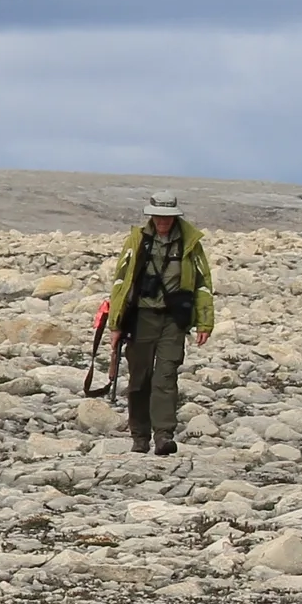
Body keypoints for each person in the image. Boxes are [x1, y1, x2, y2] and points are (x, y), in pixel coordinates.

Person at [102, 189, 214, 457]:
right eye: (158, 217)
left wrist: (204, 322)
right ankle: (139, 436)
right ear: (151, 216)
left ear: (175, 217)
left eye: (167, 217)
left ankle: (163, 435)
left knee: (166, 376)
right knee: (140, 379)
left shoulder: (190, 243)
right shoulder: (137, 241)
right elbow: (121, 282)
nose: (163, 222)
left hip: (174, 320)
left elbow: (202, 284)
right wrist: (115, 325)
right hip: (140, 318)